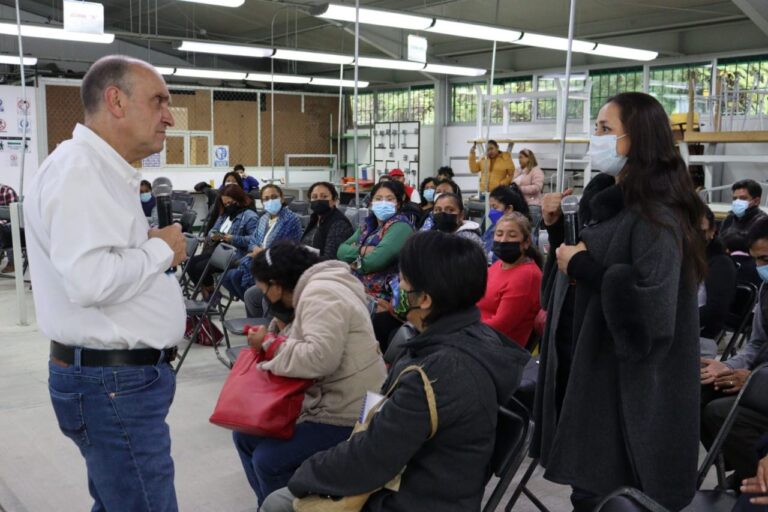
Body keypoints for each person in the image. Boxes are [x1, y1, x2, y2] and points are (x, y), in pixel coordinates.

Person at [259, 231, 530, 512]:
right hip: (426, 481)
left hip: (413, 499)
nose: (396, 287)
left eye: (402, 280)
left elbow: (372, 457)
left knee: (277, 502)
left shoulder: (441, 371)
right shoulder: (462, 341)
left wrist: (305, 475)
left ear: (424, 299)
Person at [24, 55, 187, 512]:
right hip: (112, 383)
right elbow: (91, 282)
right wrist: (162, 250)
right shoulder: (81, 171)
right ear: (115, 100)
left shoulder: (99, 171)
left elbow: (98, 262)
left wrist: (147, 246)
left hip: (116, 382)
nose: (169, 116)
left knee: (120, 499)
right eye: (159, 101)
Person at [532, 92, 706, 511]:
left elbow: (650, 319)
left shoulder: (656, 217)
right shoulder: (607, 207)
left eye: (605, 129)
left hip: (625, 391)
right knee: (588, 493)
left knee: (608, 496)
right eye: (596, 128)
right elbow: (570, 277)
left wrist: (586, 267)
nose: (596, 138)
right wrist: (558, 233)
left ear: (638, 139)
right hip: (588, 373)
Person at [233, 242, 386, 505]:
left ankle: (284, 507)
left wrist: (269, 344)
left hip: (350, 411)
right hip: (328, 400)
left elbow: (319, 358)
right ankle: (268, 505)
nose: (265, 298)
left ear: (277, 285)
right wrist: (277, 331)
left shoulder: (321, 295)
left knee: (268, 461)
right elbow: (307, 336)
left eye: (264, 291)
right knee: (245, 436)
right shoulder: (312, 290)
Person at [701, 219, 768, 491]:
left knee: (720, 412)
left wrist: (751, 380)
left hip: (761, 383)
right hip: (758, 378)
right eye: (758, 260)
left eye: (766, 258)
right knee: (699, 390)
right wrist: (724, 367)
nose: (762, 267)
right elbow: (755, 345)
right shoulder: (765, 291)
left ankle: (752, 479)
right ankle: (740, 466)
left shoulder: (719, 265)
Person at [222, 184, 302, 313]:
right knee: (229, 277)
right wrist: (255, 250)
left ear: (281, 198)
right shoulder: (264, 218)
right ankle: (256, 312)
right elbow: (253, 240)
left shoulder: (291, 220)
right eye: (266, 199)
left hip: (277, 267)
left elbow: (286, 250)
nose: (270, 201)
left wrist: (262, 253)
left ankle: (260, 314)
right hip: (259, 261)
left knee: (247, 287)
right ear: (262, 202)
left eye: (274, 197)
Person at [337, 181, 414, 303]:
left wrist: (352, 264)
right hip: (357, 291)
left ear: (398, 204)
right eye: (378, 199)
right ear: (371, 202)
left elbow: (374, 261)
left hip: (383, 299)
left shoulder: (400, 227)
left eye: (389, 199)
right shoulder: (368, 225)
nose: (383, 203)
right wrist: (364, 250)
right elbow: (341, 250)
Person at [477, 212, 543, 348]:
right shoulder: (498, 265)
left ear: (526, 242)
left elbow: (500, 326)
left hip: (496, 348)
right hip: (478, 336)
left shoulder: (526, 276)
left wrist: (461, 330)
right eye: (499, 234)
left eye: (512, 235)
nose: (503, 240)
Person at [186, 184, 258, 292]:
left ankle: (211, 296)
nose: (228, 206)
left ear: (239, 199)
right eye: (225, 204)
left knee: (201, 267)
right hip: (220, 251)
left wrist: (231, 238)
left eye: (230, 203)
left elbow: (254, 240)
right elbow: (212, 231)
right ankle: (209, 294)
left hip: (236, 254)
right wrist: (217, 236)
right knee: (191, 264)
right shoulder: (225, 214)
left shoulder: (250, 216)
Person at [699, 205, 737, 358]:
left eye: (700, 231)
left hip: (698, 337)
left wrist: (678, 320)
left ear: (712, 231)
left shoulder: (721, 264)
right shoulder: (681, 259)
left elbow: (715, 311)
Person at [300, 181, 353, 259]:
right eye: (314, 197)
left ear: (334, 200)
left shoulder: (339, 223)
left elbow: (331, 257)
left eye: (324, 197)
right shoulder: (314, 218)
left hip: (325, 268)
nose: (318, 200)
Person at [483, 184, 531, 262]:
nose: (491, 211)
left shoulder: (524, 231)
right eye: (490, 207)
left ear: (509, 209)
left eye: (495, 207)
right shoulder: (492, 227)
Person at [721, 179, 767, 248]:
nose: (737, 202)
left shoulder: (763, 222)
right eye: (735, 198)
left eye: (743, 198)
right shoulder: (729, 218)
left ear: (756, 201)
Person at [512, 148, 545, 226]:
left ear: (529, 158)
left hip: (532, 206)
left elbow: (537, 187)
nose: (519, 159)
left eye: (521, 157)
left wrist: (519, 189)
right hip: (519, 206)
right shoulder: (518, 171)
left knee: (532, 232)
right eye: (519, 157)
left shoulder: (536, 171)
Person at [0, 181, 20, 274]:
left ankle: (13, 262)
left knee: (7, 230)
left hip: (10, 224)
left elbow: (14, 215)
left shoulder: (7, 191)